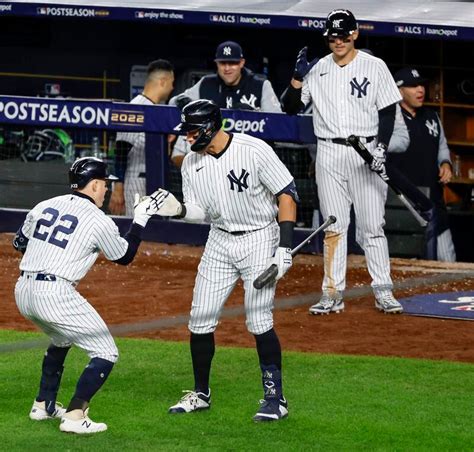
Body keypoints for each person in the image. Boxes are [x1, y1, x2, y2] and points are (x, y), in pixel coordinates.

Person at [154, 99, 297, 422]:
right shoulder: (192, 164)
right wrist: (177, 210)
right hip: (219, 240)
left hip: (260, 237)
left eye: (191, 132)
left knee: (258, 321)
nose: (187, 138)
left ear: (209, 127)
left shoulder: (253, 149)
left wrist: (284, 248)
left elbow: (286, 194)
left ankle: (276, 399)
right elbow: (200, 212)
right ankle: (201, 393)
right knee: (199, 319)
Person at [13, 157, 160, 434]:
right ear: (93, 185)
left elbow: (19, 242)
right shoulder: (97, 220)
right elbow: (124, 256)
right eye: (105, 184)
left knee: (61, 337)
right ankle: (75, 416)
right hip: (54, 293)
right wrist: (141, 219)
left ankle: (43, 404)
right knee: (106, 351)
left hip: (23, 291)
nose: (106, 190)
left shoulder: (44, 205)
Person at [281, 9, 404, 315]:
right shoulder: (318, 68)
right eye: (332, 37)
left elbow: (387, 111)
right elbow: (290, 108)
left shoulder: (374, 66)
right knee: (334, 226)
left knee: (372, 226)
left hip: (364, 151)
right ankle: (332, 294)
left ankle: (383, 291)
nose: (338, 41)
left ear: (355, 34)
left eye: (343, 35)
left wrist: (381, 148)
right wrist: (297, 79)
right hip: (329, 154)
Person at [388, 67, 456, 261]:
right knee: (408, 262)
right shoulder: (389, 119)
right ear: (399, 90)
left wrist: (445, 163)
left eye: (421, 85)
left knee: (447, 260)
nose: (420, 90)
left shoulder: (432, 116)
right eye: (413, 86)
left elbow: (442, 145)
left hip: (434, 200)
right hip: (402, 202)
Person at [108, 59, 175, 216]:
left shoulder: (156, 109)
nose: (173, 87)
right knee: (137, 229)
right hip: (135, 180)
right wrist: (118, 188)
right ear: (163, 81)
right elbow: (121, 150)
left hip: (153, 180)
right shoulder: (136, 107)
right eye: (172, 82)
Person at [169, 41, 282, 113]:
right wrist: (180, 101)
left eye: (232, 63)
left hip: (249, 146)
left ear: (242, 63)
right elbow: (173, 103)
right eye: (223, 63)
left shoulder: (260, 86)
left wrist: (253, 115)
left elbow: (277, 120)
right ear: (216, 63)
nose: (227, 68)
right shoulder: (206, 83)